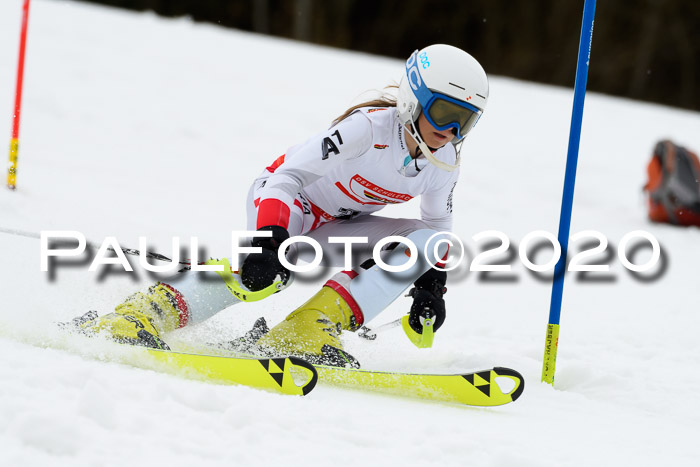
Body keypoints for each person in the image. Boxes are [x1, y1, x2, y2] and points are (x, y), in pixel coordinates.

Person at [74, 44, 490, 367]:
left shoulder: (445, 162)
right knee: (268, 275)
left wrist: (431, 287)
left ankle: (311, 329)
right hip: (286, 200)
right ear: (413, 99)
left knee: (425, 242)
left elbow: (437, 226)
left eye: (465, 122)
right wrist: (270, 240)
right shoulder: (367, 129)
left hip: (340, 224)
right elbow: (286, 178)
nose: (450, 131)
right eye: (444, 114)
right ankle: (139, 316)